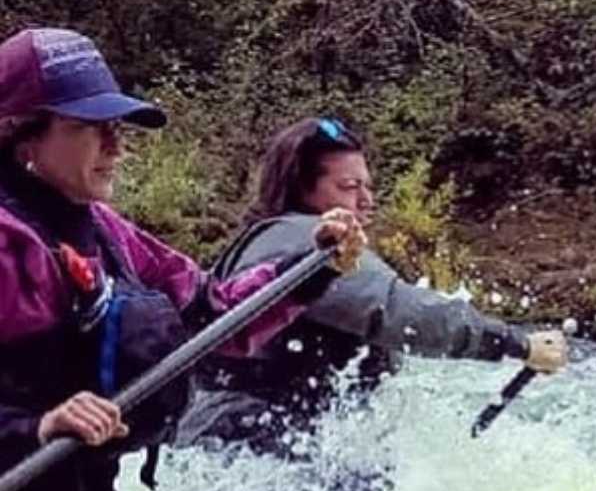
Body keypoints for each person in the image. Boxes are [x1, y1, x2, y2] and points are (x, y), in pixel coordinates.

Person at [0, 27, 364, 491]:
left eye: (117, 126)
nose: (116, 145)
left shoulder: (104, 232)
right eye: (91, 127)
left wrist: (308, 270)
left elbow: (212, 314)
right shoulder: (10, 246)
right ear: (22, 135)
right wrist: (37, 427)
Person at [177, 116, 568, 450]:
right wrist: (517, 343)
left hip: (259, 443)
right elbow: (395, 311)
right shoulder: (305, 242)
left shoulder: (279, 237)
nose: (366, 200)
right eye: (349, 188)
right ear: (302, 190)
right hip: (244, 445)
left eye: (367, 186)